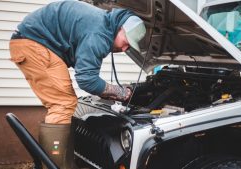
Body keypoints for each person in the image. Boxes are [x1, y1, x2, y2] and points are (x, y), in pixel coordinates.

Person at [9, 1, 146, 168]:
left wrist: (108, 91)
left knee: (65, 103)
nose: (125, 49)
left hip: (32, 42)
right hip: (34, 44)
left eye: (130, 46)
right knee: (62, 104)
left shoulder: (103, 25)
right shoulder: (100, 34)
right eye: (126, 41)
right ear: (120, 28)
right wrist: (120, 92)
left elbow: (85, 72)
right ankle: (52, 165)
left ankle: (66, 164)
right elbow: (87, 80)